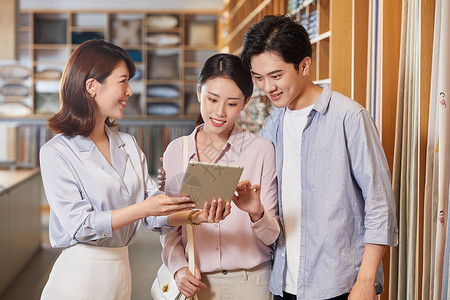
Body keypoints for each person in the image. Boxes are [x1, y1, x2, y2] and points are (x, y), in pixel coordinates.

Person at [240, 15, 399, 300]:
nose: (267, 88)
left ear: (304, 65)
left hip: (340, 283)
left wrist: (365, 280)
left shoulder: (349, 117)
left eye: (276, 76)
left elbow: (380, 203)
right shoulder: (271, 125)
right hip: (285, 282)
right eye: (258, 78)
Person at [39, 39, 195, 300]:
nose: (130, 91)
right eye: (123, 81)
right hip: (80, 276)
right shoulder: (57, 152)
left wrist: (192, 214)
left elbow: (153, 212)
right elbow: (80, 225)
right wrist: (144, 208)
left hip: (122, 272)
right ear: (92, 86)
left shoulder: (128, 144)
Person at [155, 53, 280, 300]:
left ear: (245, 103)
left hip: (252, 283)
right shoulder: (177, 151)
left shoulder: (261, 151)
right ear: (199, 92)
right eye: (212, 99)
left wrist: (257, 213)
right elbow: (168, 227)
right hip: (196, 282)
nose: (219, 112)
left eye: (232, 104)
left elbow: (273, 236)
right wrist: (178, 268)